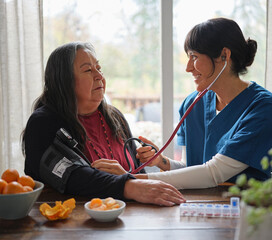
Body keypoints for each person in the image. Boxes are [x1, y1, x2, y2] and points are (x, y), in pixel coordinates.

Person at [21, 42, 185, 206]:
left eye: (99, 69)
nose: (99, 76)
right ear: (64, 81)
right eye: (88, 70)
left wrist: (138, 174)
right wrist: (129, 185)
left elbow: (136, 173)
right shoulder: (42, 123)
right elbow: (71, 176)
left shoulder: (115, 117)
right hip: (69, 223)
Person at [134, 17, 272, 189]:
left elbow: (214, 173)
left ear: (224, 55)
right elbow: (194, 171)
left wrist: (135, 182)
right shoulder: (192, 104)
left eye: (194, 56)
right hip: (200, 207)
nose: (188, 68)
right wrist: (161, 161)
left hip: (247, 209)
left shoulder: (265, 109)